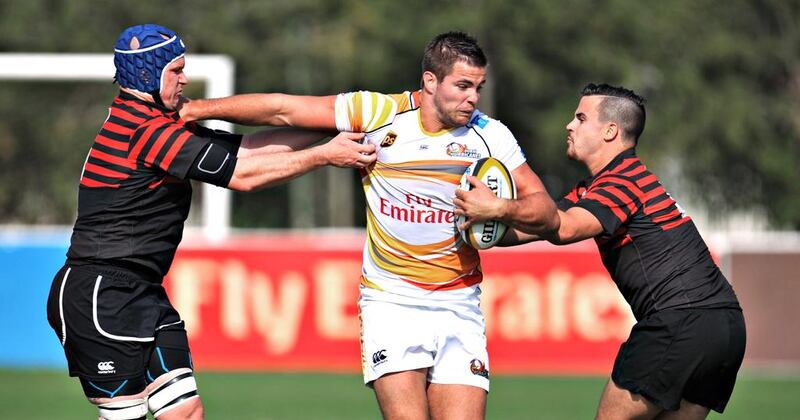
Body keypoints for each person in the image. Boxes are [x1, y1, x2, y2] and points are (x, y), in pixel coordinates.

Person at [180, 32, 559, 419]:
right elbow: (284, 109)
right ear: (430, 81)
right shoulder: (379, 114)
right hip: (390, 301)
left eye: (478, 87)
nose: (473, 98)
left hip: (458, 303)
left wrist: (500, 208)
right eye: (463, 86)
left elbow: (546, 212)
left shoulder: (490, 135)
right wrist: (193, 109)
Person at [45, 23, 375, 420]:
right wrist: (323, 156)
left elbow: (248, 151)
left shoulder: (157, 125)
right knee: (124, 416)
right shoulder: (146, 131)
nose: (185, 79)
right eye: (176, 70)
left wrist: (338, 122)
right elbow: (244, 177)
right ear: (147, 75)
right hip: (101, 294)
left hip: (142, 291)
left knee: (185, 411)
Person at [453, 83, 746, 419]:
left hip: (681, 319)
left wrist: (499, 207)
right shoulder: (604, 186)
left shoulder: (622, 181)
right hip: (725, 325)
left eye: (580, 118)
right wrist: (477, 223)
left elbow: (563, 228)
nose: (569, 125)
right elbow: (539, 225)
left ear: (610, 131)